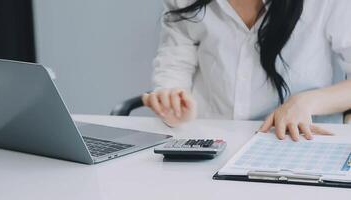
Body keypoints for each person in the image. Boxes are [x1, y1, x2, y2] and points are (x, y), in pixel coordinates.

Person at [142, 0, 351, 141]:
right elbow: (174, 67)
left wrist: (306, 102)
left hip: (295, 141)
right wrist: (173, 105)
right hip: (208, 140)